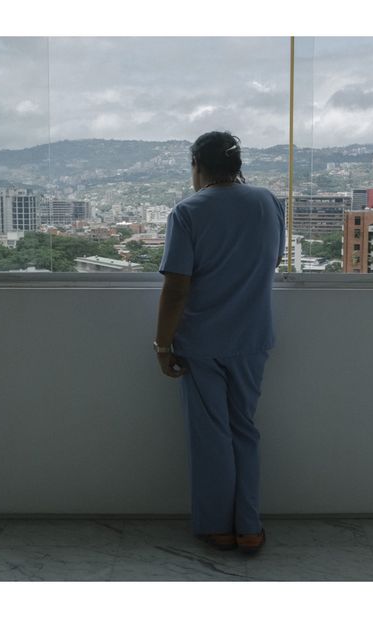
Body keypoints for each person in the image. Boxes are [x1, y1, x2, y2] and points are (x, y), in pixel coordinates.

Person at [154, 130, 285, 555]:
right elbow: (272, 259)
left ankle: (217, 527)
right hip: (252, 337)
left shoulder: (187, 212)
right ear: (237, 165)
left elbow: (176, 287)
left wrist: (162, 344)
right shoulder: (269, 203)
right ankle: (248, 527)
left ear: (197, 165)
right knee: (245, 429)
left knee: (212, 435)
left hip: (201, 343)